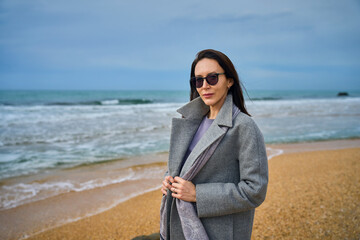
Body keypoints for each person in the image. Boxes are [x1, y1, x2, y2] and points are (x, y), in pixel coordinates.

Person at [160, 49, 268, 240]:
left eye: (212, 78)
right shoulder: (191, 121)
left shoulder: (244, 127)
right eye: (198, 80)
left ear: (229, 80)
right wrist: (170, 180)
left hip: (219, 231)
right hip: (181, 226)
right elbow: (188, 166)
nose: (204, 86)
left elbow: (255, 191)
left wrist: (197, 195)